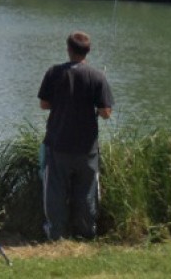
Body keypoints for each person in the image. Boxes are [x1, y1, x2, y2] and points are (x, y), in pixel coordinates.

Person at [38, 31, 114, 240]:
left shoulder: (54, 72)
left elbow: (44, 104)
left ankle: (55, 233)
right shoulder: (97, 76)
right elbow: (106, 113)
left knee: (55, 192)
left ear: (69, 50)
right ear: (88, 51)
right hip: (87, 148)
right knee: (87, 191)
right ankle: (86, 232)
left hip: (58, 144)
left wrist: (62, 103)